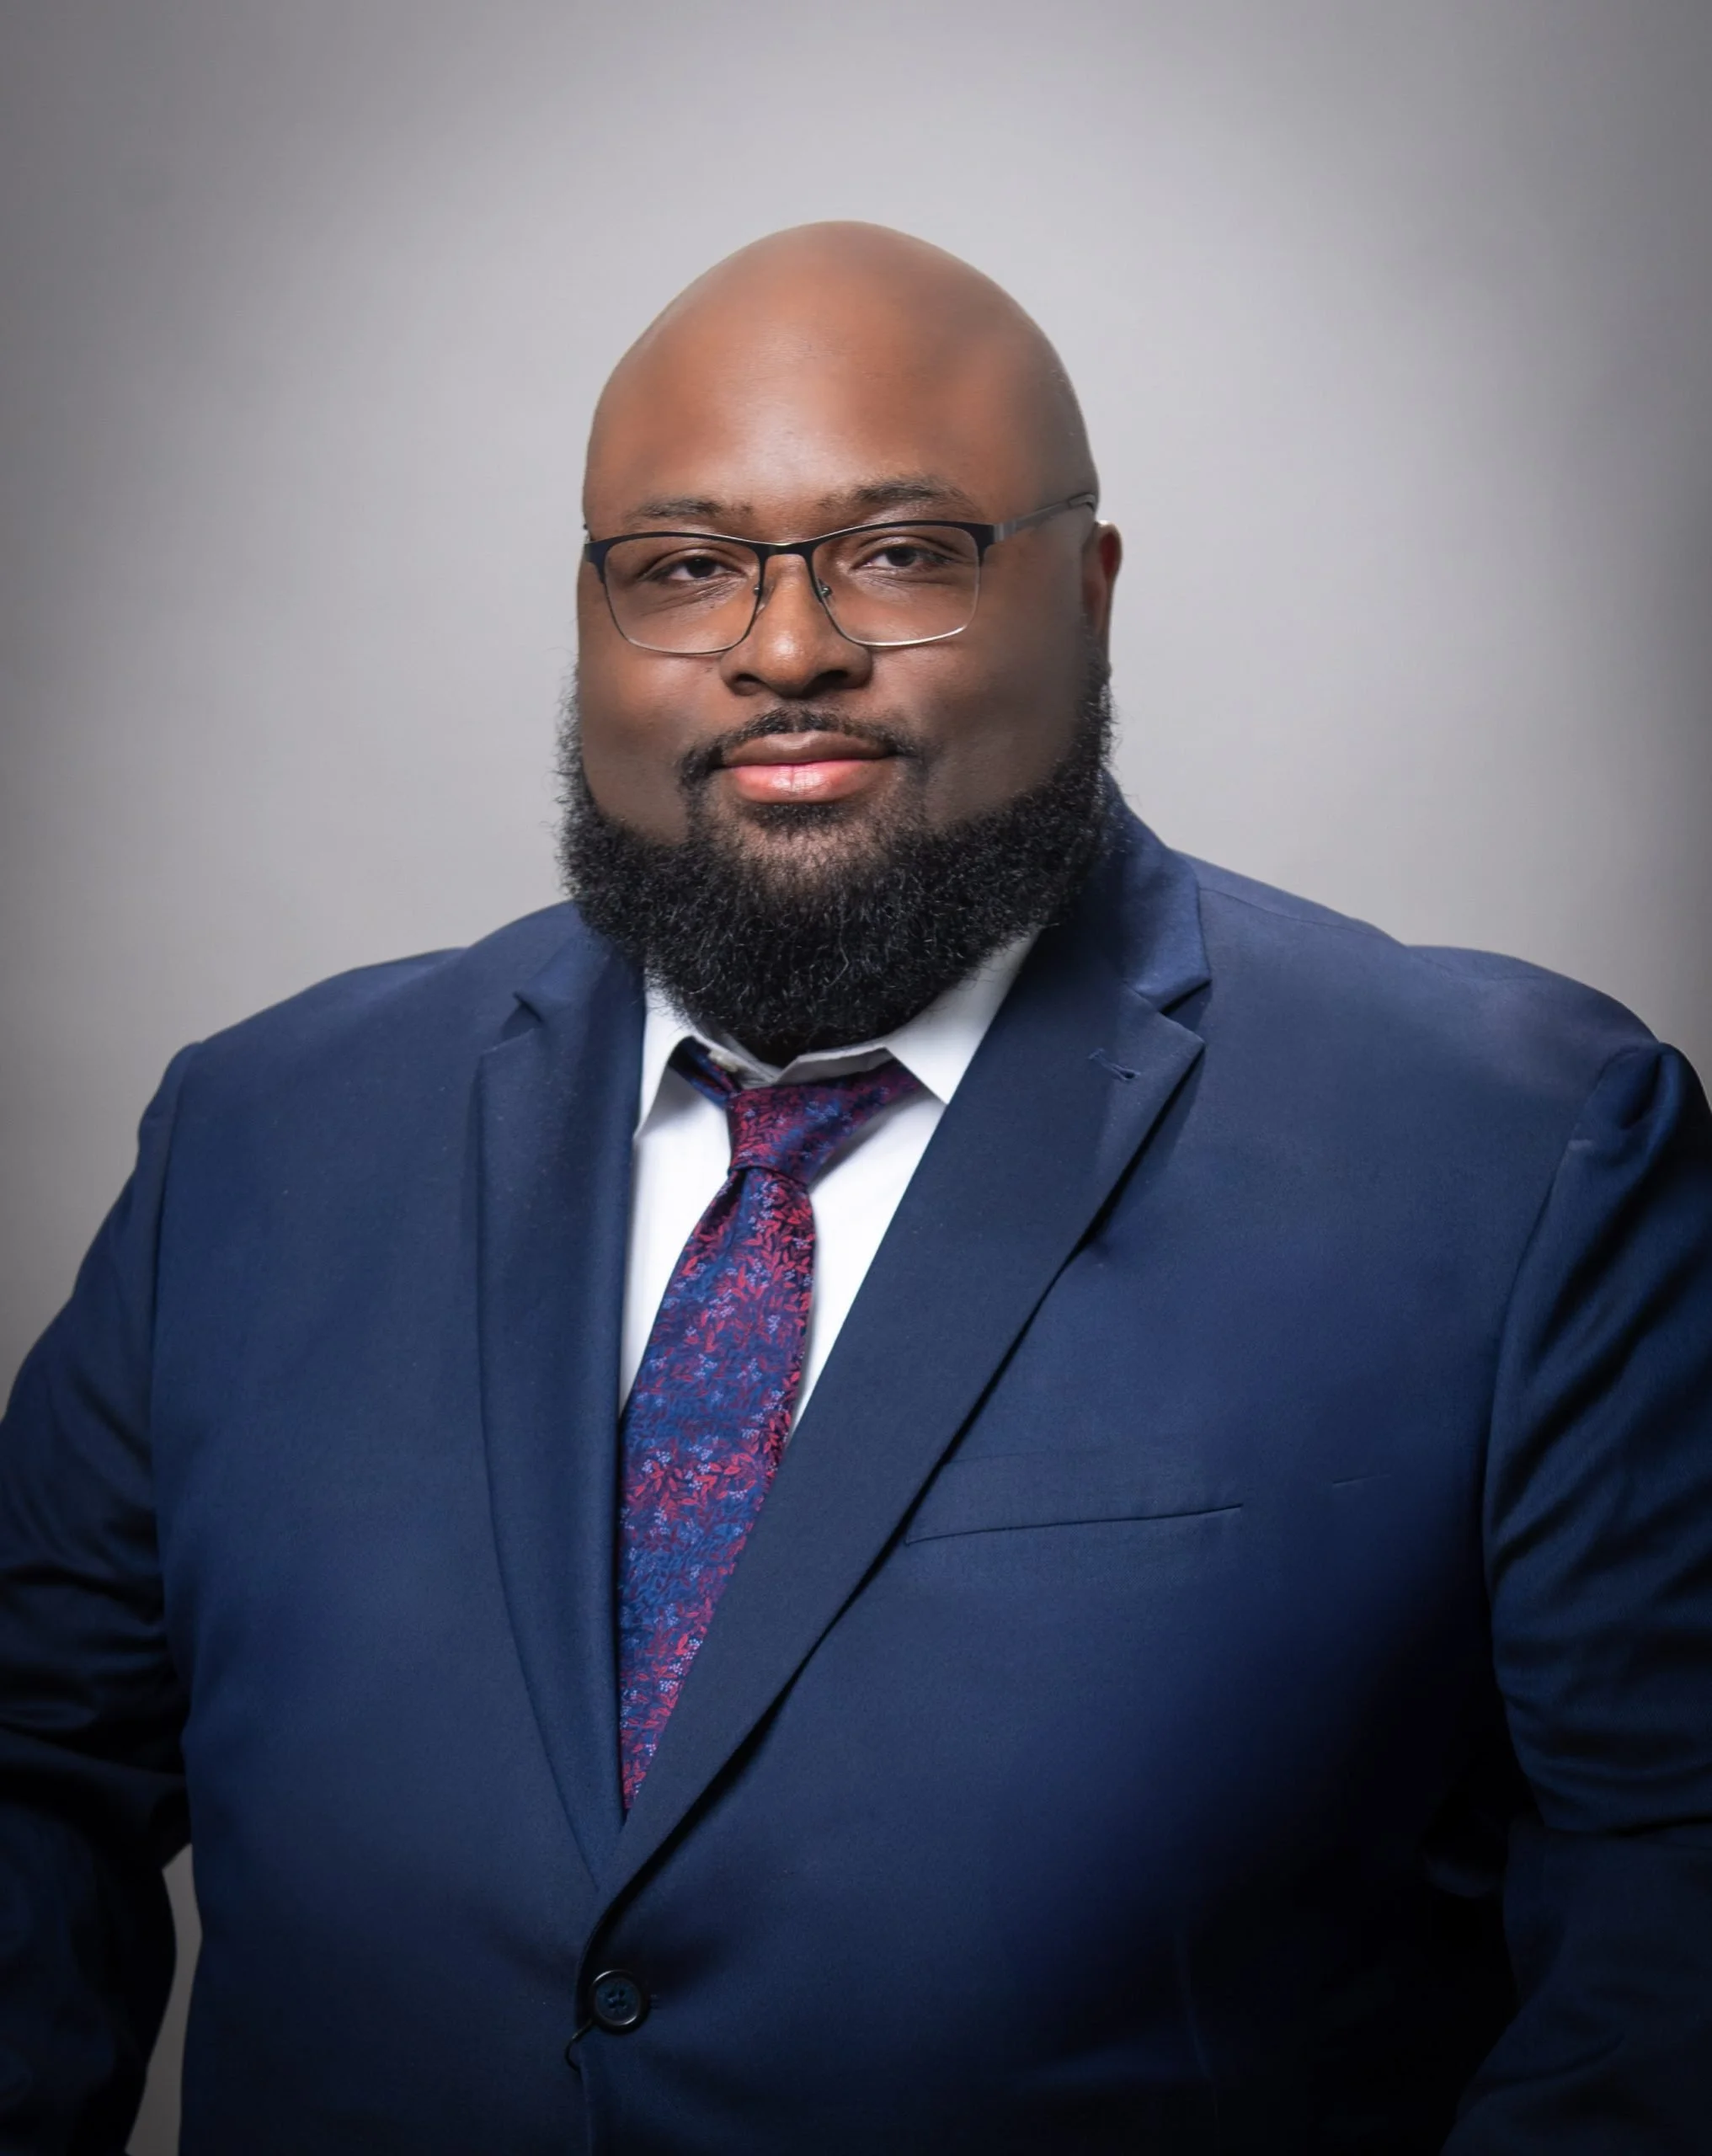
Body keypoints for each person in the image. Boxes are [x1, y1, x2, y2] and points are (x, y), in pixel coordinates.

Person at [2, 221, 1709, 2156]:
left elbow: (1663, 1933)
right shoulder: (256, 1139)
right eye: (683, 566)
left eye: (901, 552)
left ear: (1088, 591)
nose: (785, 647)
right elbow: (31, 1768)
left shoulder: (1514, 1156)